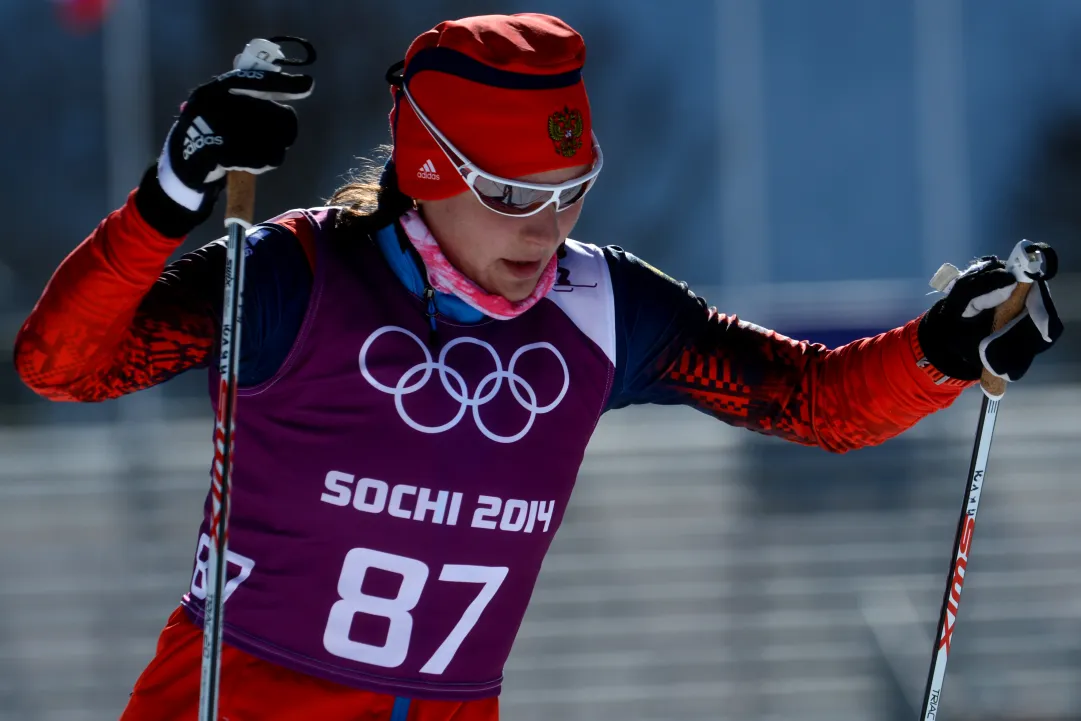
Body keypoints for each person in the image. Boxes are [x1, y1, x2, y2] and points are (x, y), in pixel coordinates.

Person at [13, 13, 1061, 721]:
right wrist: (169, 198)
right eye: (511, 193)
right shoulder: (297, 276)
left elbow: (817, 403)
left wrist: (939, 352)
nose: (546, 226)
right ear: (428, 171)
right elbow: (64, 367)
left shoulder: (602, 307)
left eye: (571, 186)